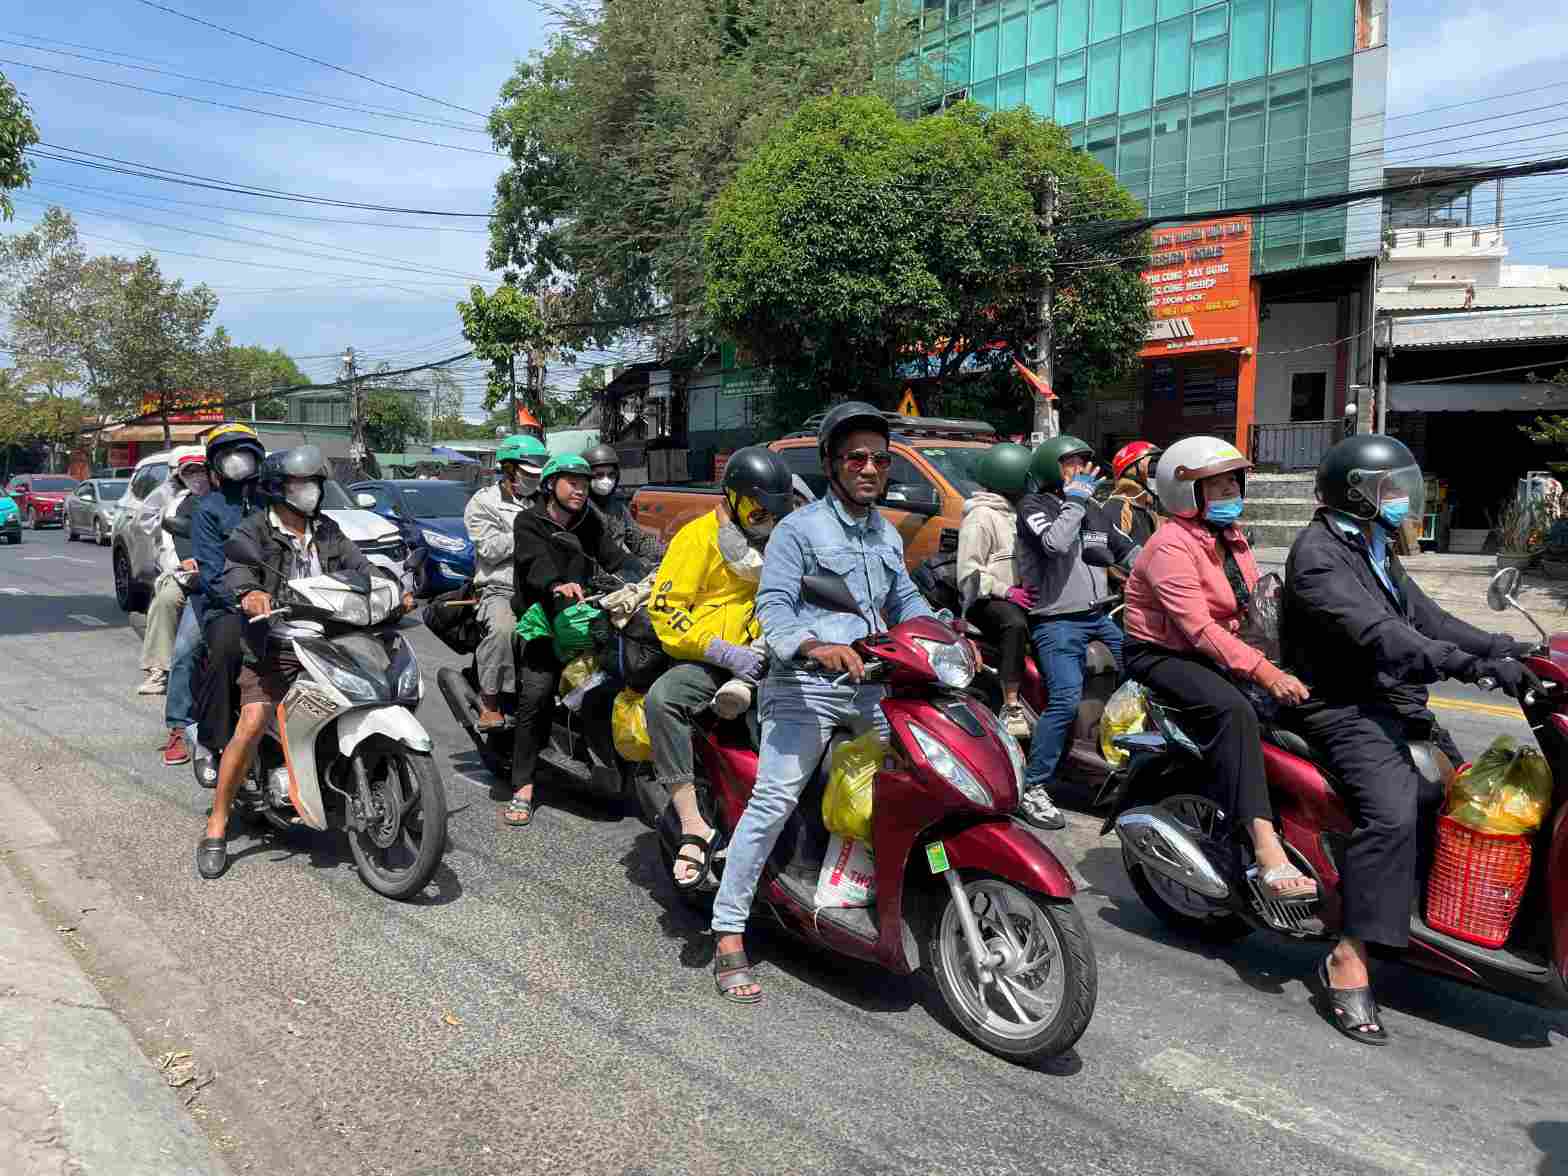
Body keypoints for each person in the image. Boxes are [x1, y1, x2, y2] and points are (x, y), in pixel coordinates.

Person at [1283, 434, 1537, 1044]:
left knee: (1456, 793)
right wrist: (1468, 667)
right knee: (1394, 813)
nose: (1402, 499)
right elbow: (1383, 636)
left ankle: (1411, 914)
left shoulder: (1371, 545)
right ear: (1359, 494)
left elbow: (1428, 618)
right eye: (1390, 489)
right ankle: (1347, 958)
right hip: (1342, 706)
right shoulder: (1318, 555)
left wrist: (1505, 648)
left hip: (1391, 700)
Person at [709, 402, 934, 1005]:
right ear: (833, 465)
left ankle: (881, 894)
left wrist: (950, 635)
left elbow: (905, 598)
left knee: (916, 778)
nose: (870, 468)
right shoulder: (799, 531)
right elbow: (774, 608)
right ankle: (729, 927)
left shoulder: (885, 532)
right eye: (857, 457)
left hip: (872, 682)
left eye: (879, 460)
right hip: (803, 686)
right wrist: (815, 645)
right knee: (776, 797)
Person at [196, 446, 411, 879]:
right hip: (275, 645)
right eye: (301, 484)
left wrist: (392, 588)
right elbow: (236, 570)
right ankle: (216, 824)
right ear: (279, 489)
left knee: (381, 692)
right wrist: (249, 594)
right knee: (254, 720)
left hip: (330, 640)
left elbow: (361, 568)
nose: (311, 491)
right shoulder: (252, 531)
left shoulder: (328, 530)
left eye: (314, 483)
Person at [1122, 436, 1316, 902]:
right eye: (1220, 487)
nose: (1233, 494)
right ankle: (1266, 845)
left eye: (1234, 484)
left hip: (1218, 646)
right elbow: (1199, 630)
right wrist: (1265, 673)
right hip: (1164, 653)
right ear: (1186, 493)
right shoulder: (1169, 546)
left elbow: (1248, 608)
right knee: (1235, 711)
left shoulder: (1232, 538)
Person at [646, 446, 794, 887]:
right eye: (759, 507)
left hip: (775, 657)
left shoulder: (780, 541)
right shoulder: (697, 539)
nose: (767, 516)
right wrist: (721, 651)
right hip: (714, 661)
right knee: (663, 699)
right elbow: (665, 610)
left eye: (774, 509)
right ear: (733, 497)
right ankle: (692, 823)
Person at [1013, 435, 1137, 830]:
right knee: (1065, 698)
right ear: (1052, 466)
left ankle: (1127, 758)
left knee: (1148, 673)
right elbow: (1054, 543)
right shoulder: (1033, 507)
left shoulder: (1096, 509)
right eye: (1071, 464)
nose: (1080, 472)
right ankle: (1033, 785)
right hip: (1056, 621)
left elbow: (1127, 550)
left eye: (1085, 464)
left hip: (1101, 615)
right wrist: (1076, 501)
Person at [506, 453, 629, 828]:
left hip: (584, 619)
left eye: (585, 482)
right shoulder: (529, 521)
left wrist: (651, 575)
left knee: (620, 673)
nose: (581, 488)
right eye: (572, 481)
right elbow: (534, 562)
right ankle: (523, 786)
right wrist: (557, 584)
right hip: (543, 620)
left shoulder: (589, 520)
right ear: (550, 484)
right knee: (537, 695)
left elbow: (615, 557)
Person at [190, 423, 267, 786]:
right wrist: (242, 599)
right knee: (225, 650)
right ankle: (211, 742)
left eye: (245, 454)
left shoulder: (274, 503)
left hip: (279, 602)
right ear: (217, 464)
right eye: (230, 456)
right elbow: (210, 571)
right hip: (227, 606)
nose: (238, 462)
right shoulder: (208, 510)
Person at [463, 434, 550, 732]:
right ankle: (490, 704)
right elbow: (488, 549)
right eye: (527, 474)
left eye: (538, 474)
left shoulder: (546, 501)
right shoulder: (484, 502)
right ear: (510, 470)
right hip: (499, 588)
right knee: (504, 630)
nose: (533, 481)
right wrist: (527, 532)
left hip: (544, 585)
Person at [956, 441, 1035, 739]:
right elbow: (968, 572)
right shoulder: (981, 516)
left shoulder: (1015, 514)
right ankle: (1012, 705)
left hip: (1018, 595)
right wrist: (1006, 590)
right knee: (1013, 625)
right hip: (985, 599)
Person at [135, 446, 208, 696]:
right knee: (166, 601)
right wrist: (185, 562)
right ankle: (160, 670)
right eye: (191, 471)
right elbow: (174, 538)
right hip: (184, 573)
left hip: (227, 569)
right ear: (180, 474)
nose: (198, 475)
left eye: (202, 470)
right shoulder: (176, 502)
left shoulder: (229, 497)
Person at [583, 442, 664, 576]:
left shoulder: (617, 506)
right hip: (598, 577)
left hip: (622, 570)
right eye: (599, 475)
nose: (606, 480)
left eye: (611, 475)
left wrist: (665, 552)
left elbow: (639, 539)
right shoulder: (582, 508)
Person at [1106, 440, 1163, 548]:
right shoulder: (1116, 508)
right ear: (1131, 472)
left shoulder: (1150, 514)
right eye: (1152, 467)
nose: (1156, 474)